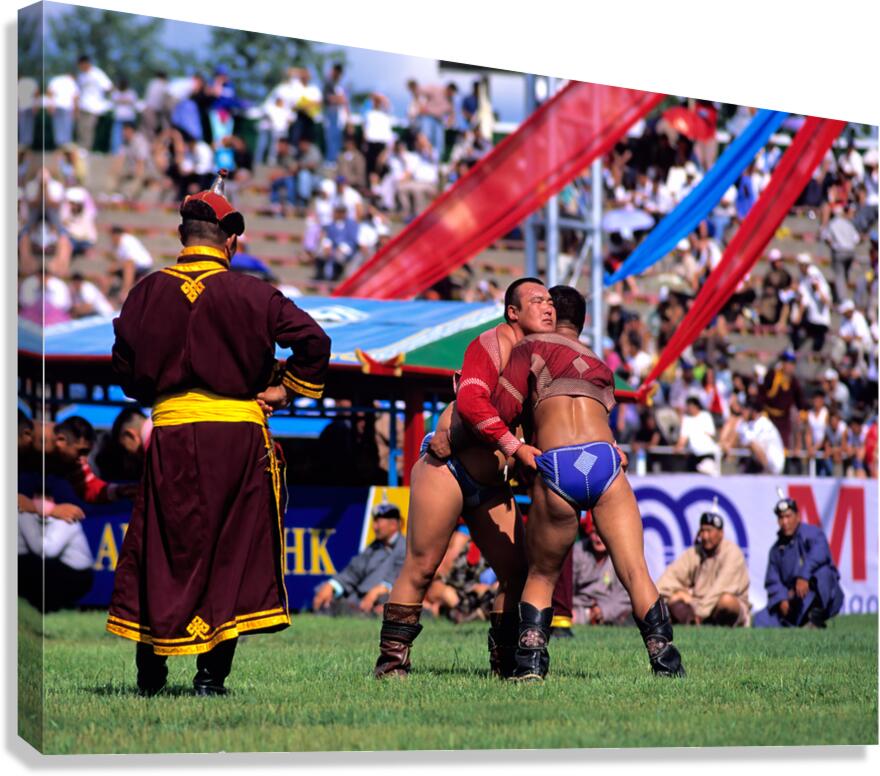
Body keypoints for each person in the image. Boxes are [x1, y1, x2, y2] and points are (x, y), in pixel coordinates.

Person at [105, 178, 331, 696]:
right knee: (230, 551)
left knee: (162, 549)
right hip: (236, 438)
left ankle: (150, 677)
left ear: (182, 235)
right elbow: (314, 342)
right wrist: (285, 390)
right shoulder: (254, 292)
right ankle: (210, 679)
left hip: (169, 435)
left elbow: (125, 372)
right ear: (230, 240)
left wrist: (165, 383)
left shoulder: (144, 293)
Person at [485, 286, 685, 679]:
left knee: (542, 575)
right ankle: (666, 663)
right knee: (636, 571)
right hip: (605, 462)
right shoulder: (600, 363)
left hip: (557, 463)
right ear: (583, 321)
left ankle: (530, 665)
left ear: (549, 313)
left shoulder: (529, 348)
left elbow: (504, 410)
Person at [373, 277, 556, 679]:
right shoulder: (492, 342)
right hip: (448, 469)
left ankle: (505, 665)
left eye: (551, 301)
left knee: (517, 571)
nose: (548, 307)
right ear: (512, 312)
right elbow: (472, 403)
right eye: (537, 300)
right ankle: (391, 666)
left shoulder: (544, 357)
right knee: (422, 567)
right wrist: (515, 447)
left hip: (492, 484)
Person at [753, 495, 844, 628]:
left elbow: (821, 552)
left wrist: (803, 575)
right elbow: (772, 580)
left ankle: (817, 618)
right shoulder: (775, 550)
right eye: (781, 518)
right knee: (760, 620)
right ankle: (803, 623)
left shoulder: (812, 533)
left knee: (824, 573)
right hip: (794, 599)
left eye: (788, 516)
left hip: (813, 593)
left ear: (798, 517)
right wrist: (781, 598)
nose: (785, 522)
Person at [657, 510, 751, 626]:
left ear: (721, 533)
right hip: (698, 603)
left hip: (719, 604)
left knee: (726, 601)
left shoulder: (732, 553)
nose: (705, 536)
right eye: (702, 531)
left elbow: (721, 588)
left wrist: (699, 611)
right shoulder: (695, 552)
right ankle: (694, 623)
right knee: (675, 599)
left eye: (709, 531)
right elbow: (670, 578)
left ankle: (701, 621)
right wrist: (679, 594)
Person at [312, 502, 406, 615]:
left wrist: (382, 588)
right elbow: (353, 572)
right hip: (358, 600)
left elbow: (401, 578)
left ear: (393, 524)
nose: (374, 527)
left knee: (386, 601)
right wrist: (333, 585)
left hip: (382, 601)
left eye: (378, 522)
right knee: (325, 591)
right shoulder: (373, 547)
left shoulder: (405, 548)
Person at [571, 516, 632, 626]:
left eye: (602, 533)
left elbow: (625, 595)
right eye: (595, 532)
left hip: (609, 607)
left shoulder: (619, 555)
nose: (598, 539)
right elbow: (566, 588)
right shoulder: (577, 552)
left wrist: (603, 610)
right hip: (578, 606)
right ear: (588, 532)